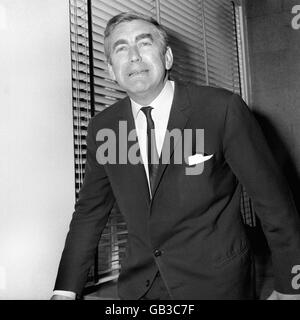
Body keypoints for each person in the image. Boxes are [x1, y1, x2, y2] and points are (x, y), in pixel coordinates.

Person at [52, 12, 300, 300]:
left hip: (218, 284)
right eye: (121, 48)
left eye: (144, 44)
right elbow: (89, 213)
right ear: (110, 70)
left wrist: (290, 285)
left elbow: (273, 201)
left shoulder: (221, 109)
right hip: (140, 290)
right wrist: (65, 290)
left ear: (167, 57)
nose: (133, 56)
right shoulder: (103, 127)